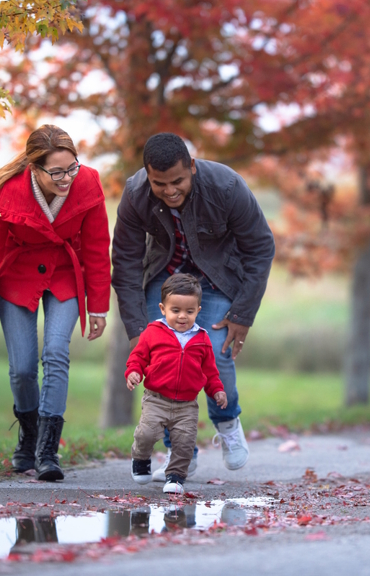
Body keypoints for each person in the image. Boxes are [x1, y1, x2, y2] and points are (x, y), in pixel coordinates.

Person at [112, 132, 275, 479]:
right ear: (147, 176)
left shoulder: (227, 187)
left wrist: (242, 314)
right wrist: (138, 329)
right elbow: (125, 261)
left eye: (177, 181)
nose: (170, 190)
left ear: (193, 168)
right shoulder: (135, 193)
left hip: (218, 280)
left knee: (215, 353)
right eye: (160, 183)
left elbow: (260, 248)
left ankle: (228, 422)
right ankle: (179, 449)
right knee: (162, 355)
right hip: (165, 277)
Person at [0, 125, 111, 482]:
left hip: (64, 273)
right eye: (57, 171)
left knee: (56, 353)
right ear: (34, 168)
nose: (67, 178)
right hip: (17, 276)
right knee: (22, 368)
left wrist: (98, 306)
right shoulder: (9, 192)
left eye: (72, 167)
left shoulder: (89, 182)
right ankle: (28, 437)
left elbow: (96, 247)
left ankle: (48, 450)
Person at [125, 274, 228, 494]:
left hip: (186, 405)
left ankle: (175, 477)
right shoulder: (153, 332)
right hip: (157, 399)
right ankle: (141, 459)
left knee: (184, 444)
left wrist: (217, 390)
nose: (182, 316)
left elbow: (210, 372)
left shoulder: (201, 338)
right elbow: (138, 357)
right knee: (146, 434)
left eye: (189, 312)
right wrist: (134, 372)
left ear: (198, 310)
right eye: (175, 311)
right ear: (163, 308)